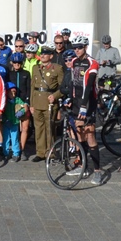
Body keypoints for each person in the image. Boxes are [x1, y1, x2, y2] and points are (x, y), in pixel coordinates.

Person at [65, 36, 103, 185]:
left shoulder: (92, 63)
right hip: (76, 102)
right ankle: (83, 166)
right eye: (75, 47)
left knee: (90, 135)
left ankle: (97, 171)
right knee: (79, 135)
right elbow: (73, 83)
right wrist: (70, 98)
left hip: (88, 103)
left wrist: (83, 106)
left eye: (79, 47)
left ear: (85, 47)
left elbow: (88, 87)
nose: (77, 50)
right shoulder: (74, 61)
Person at [29, 44, 64, 162]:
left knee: (50, 129)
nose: (43, 56)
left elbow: (62, 87)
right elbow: (32, 87)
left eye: (46, 54)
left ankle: (50, 152)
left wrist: (55, 96)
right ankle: (40, 152)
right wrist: (32, 104)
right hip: (37, 102)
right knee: (38, 128)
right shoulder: (35, 68)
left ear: (51, 56)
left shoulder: (57, 68)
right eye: (42, 54)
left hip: (49, 102)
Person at [8, 52, 31, 156]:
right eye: (15, 62)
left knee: (25, 128)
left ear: (22, 63)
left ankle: (22, 149)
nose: (17, 64)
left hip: (23, 103)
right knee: (14, 128)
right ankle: (15, 148)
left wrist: (27, 103)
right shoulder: (9, 74)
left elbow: (29, 89)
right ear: (12, 63)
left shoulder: (26, 73)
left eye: (19, 62)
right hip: (12, 103)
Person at [2, 83, 27, 162]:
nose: (13, 94)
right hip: (6, 122)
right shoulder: (4, 101)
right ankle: (5, 153)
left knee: (15, 138)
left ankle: (16, 153)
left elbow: (23, 107)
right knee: (6, 138)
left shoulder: (17, 100)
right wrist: (3, 118)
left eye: (14, 92)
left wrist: (21, 112)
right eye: (11, 92)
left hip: (14, 122)